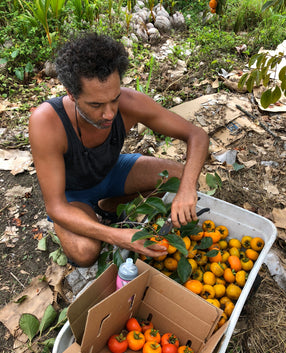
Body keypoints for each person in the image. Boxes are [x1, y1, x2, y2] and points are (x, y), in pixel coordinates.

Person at [29, 32, 209, 268]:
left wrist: (186, 189)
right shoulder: (47, 122)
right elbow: (55, 205)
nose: (109, 114)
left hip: (112, 174)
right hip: (71, 196)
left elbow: (197, 135)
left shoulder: (130, 103)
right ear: (71, 94)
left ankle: (110, 205)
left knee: (182, 177)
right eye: (96, 105)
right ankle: (85, 219)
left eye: (114, 99)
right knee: (85, 252)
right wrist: (118, 237)